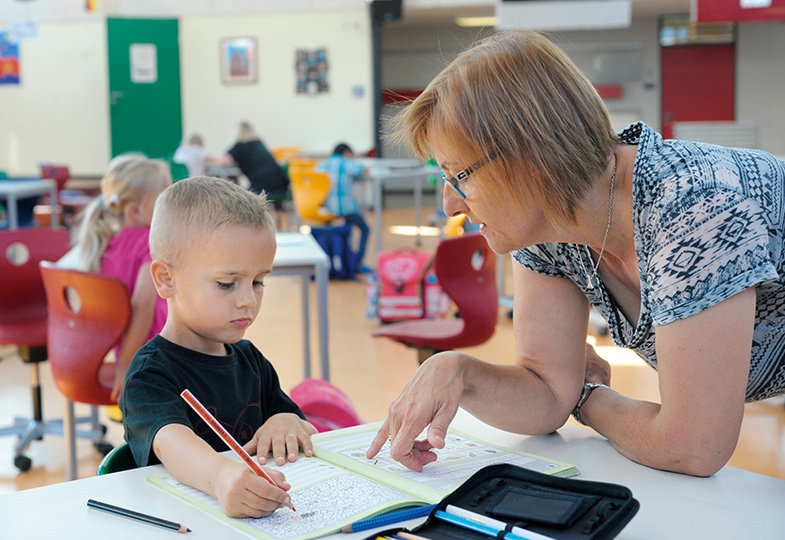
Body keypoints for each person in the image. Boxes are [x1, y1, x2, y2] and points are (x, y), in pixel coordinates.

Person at [366, 30, 785, 478]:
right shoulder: (546, 225)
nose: (450, 204)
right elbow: (546, 394)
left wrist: (587, 397)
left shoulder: (692, 204)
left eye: (459, 177)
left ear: (528, 156)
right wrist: (457, 371)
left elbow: (691, 447)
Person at [120, 176, 317, 518]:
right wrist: (222, 477)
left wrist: (284, 420)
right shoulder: (149, 375)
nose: (247, 300)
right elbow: (174, 444)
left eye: (258, 281)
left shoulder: (250, 360)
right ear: (167, 279)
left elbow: (289, 415)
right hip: (187, 521)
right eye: (227, 284)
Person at [76, 156, 171, 403]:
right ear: (135, 211)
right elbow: (141, 306)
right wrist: (125, 367)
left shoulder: (107, 243)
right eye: (165, 200)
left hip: (133, 354)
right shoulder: (150, 242)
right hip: (155, 359)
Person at [316, 142, 370, 273]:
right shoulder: (346, 163)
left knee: (329, 232)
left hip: (328, 209)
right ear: (346, 153)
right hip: (345, 209)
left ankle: (325, 264)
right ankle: (357, 262)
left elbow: (315, 175)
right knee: (365, 230)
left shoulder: (324, 163)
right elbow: (363, 170)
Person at [222, 121, 289, 208]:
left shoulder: (239, 146)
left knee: (238, 196)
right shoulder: (259, 142)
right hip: (281, 184)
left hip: (262, 187)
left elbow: (223, 162)